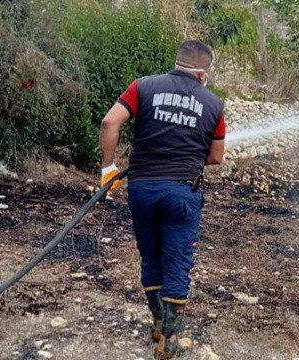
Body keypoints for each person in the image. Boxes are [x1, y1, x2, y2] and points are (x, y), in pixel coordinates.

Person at [99, 40, 225, 359]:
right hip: (182, 194)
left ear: (177, 63)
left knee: (151, 259)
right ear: (202, 73)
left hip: (142, 190)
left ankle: (157, 324)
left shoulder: (143, 87)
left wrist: (108, 168)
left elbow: (109, 122)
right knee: (177, 265)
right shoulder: (213, 104)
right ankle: (168, 344)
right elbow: (216, 157)